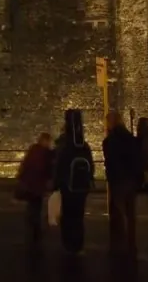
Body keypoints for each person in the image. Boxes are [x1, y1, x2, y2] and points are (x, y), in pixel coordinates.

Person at [53, 109, 94, 254]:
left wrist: (55, 183)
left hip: (67, 186)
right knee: (78, 215)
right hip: (82, 186)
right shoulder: (84, 145)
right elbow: (91, 165)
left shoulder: (64, 144)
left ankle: (69, 244)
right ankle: (78, 243)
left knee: (68, 215)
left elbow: (59, 164)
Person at [103, 111, 142, 254]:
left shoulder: (110, 140)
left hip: (118, 181)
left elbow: (111, 162)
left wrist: (112, 177)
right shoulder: (130, 138)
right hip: (131, 180)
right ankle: (131, 242)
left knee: (119, 213)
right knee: (131, 213)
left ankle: (121, 244)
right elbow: (137, 159)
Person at [15, 132, 53, 243]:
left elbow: (25, 165)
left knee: (33, 205)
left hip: (31, 184)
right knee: (36, 205)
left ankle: (32, 226)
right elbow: (46, 169)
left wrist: (21, 177)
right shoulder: (45, 153)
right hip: (37, 185)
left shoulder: (33, 150)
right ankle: (35, 229)